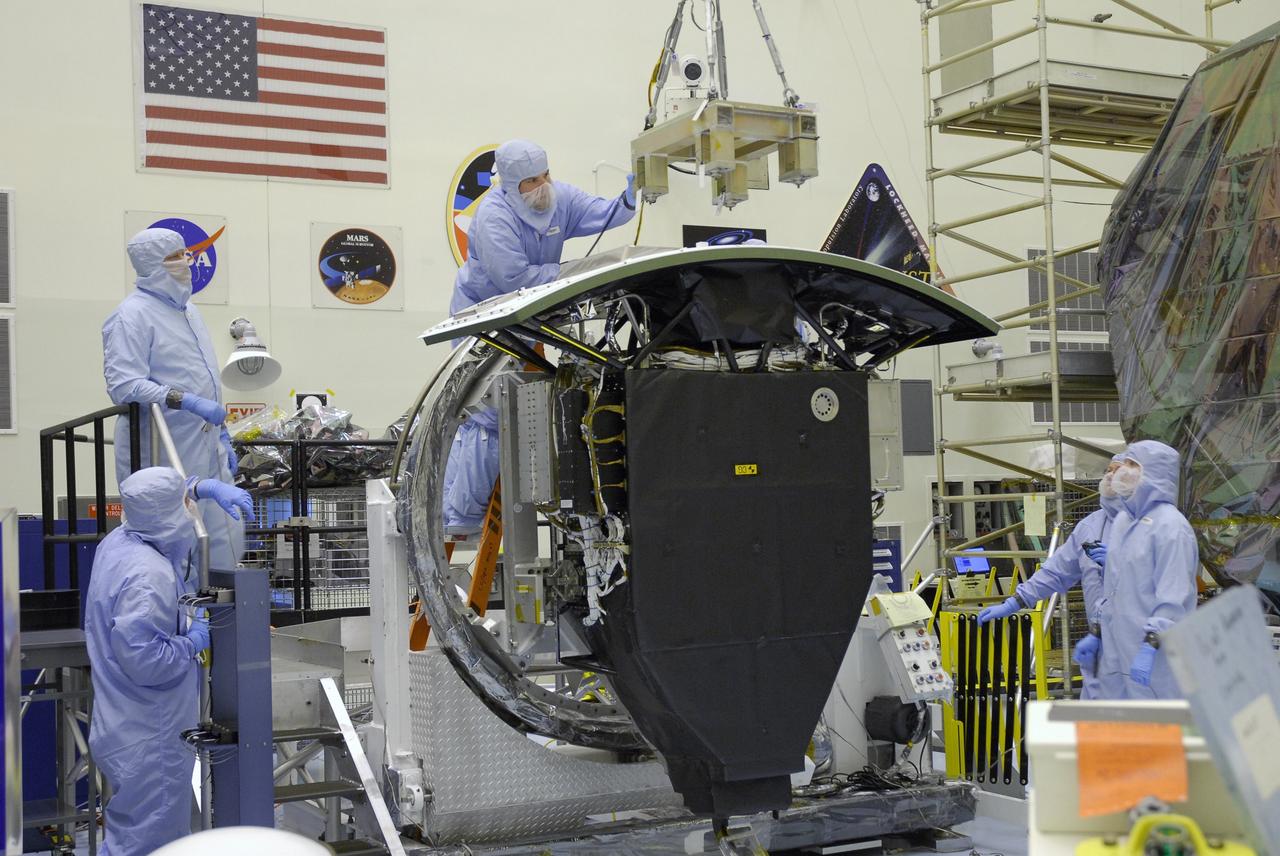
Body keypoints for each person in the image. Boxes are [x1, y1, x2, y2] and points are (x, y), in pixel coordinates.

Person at [443, 140, 637, 531]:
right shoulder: (493, 218)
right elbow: (513, 279)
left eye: (546, 174)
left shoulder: (558, 197)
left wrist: (632, 197)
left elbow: (602, 213)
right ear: (512, 184)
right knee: (490, 413)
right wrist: (571, 273)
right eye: (532, 180)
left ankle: (505, 506)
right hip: (485, 318)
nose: (543, 184)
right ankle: (461, 518)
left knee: (532, 403)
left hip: (530, 318)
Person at [85, 467, 252, 855]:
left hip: (122, 723)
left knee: (130, 835)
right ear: (167, 512)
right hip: (152, 733)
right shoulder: (149, 575)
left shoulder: (118, 544)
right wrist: (192, 642)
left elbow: (156, 501)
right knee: (149, 841)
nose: (190, 505)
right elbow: (147, 661)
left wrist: (202, 486)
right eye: (185, 500)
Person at [103, 227, 244, 571]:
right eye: (177, 256)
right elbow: (124, 384)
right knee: (176, 542)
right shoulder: (131, 315)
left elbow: (203, 373)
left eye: (186, 253)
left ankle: (224, 616)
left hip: (206, 445)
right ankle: (183, 618)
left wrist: (221, 433)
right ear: (153, 264)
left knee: (225, 536)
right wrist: (186, 401)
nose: (187, 261)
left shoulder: (189, 311)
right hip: (163, 446)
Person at [978, 453, 1127, 698]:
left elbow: (1163, 588)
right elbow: (1057, 570)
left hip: (1139, 646)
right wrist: (1015, 601)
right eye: (1109, 470)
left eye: (1119, 470)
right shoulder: (1089, 526)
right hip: (1100, 644)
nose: (1110, 476)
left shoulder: (1152, 527)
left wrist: (1122, 564)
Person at [1091, 440, 1199, 699]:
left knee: (1160, 729)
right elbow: (1114, 590)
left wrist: (1151, 645)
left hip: (1155, 658)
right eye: (1123, 463)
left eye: (1132, 464)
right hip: (1117, 655)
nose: (1122, 471)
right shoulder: (1124, 523)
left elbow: (1173, 597)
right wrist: (1097, 632)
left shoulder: (1171, 527)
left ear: (1154, 472)